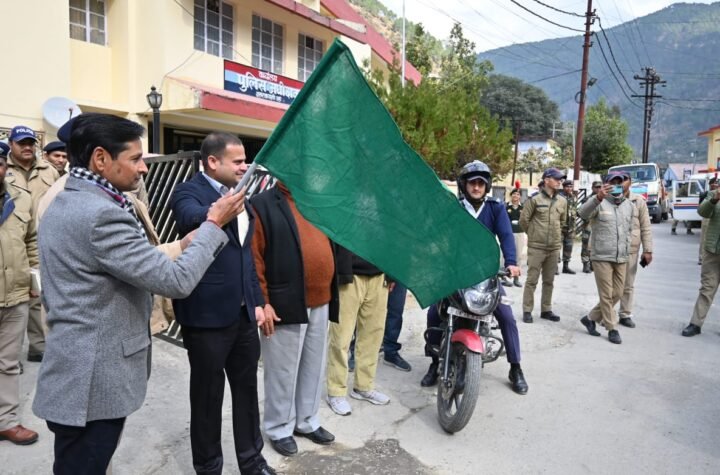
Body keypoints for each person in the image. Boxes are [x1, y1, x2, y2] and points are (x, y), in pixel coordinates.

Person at [33, 113, 242, 473]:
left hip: (76, 370)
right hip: (93, 380)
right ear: (101, 159)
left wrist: (185, 244)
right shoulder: (101, 214)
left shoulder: (70, 200)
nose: (144, 168)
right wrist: (213, 224)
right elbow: (175, 281)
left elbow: (122, 262)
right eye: (135, 158)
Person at [171, 132, 274, 475]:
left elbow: (246, 258)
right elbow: (189, 216)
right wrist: (219, 211)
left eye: (246, 160)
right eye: (238, 161)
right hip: (206, 317)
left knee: (247, 393)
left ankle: (252, 461)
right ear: (213, 162)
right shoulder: (188, 192)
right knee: (207, 397)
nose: (245, 167)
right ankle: (208, 467)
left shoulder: (243, 198)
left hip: (243, 316)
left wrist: (257, 301)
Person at [421, 161, 528, 394]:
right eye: (472, 183)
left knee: (507, 317)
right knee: (434, 313)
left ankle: (515, 367)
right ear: (464, 185)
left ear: (487, 186)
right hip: (456, 273)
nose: (477, 187)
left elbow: (506, 235)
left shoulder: (495, 208)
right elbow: (440, 237)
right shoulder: (455, 208)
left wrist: (511, 262)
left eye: (481, 183)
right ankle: (434, 362)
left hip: (486, 274)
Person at [250, 182, 338, 457]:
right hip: (283, 301)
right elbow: (254, 258)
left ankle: (307, 421)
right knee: (282, 371)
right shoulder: (262, 204)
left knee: (314, 365)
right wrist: (262, 301)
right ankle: (279, 428)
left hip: (321, 298)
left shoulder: (316, 200)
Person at [6, 125, 60, 363]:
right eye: (22, 143)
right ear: (11, 145)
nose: (27, 147)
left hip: (41, 244)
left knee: (37, 295)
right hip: (12, 244)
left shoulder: (49, 171)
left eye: (30, 143)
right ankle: (9, 356)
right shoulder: (4, 168)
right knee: (13, 300)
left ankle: (38, 347)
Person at [0, 142, 39, 446]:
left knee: (8, 363)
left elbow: (32, 243)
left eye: (0, 163)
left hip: (15, 296)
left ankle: (7, 421)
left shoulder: (21, 198)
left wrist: (33, 280)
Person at [326, 247, 392, 416]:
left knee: (373, 336)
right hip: (349, 276)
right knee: (341, 337)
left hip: (380, 275)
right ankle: (336, 392)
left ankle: (364, 386)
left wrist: (392, 274)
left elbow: (391, 238)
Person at [578, 171, 634, 344]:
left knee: (618, 293)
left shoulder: (629, 205)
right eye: (612, 182)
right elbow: (582, 213)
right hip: (601, 255)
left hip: (621, 256)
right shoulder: (599, 202)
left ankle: (590, 318)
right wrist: (598, 197)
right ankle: (612, 328)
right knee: (606, 294)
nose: (616, 185)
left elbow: (629, 229)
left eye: (619, 182)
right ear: (606, 185)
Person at [519, 168, 567, 323]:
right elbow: (524, 220)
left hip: (554, 248)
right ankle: (527, 310)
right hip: (537, 247)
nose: (560, 182)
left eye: (561, 179)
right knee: (532, 280)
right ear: (546, 180)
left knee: (549, 281)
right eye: (557, 179)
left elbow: (563, 222)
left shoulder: (562, 201)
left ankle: (546, 310)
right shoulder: (534, 200)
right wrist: (533, 234)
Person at [682, 184, 720, 337]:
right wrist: (714, 200)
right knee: (706, 288)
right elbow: (702, 212)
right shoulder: (714, 194)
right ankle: (695, 324)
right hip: (712, 250)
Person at [617, 174, 653, 328]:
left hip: (631, 248)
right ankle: (606, 312)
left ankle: (625, 314)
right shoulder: (608, 198)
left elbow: (646, 227)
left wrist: (648, 250)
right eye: (617, 180)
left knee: (628, 283)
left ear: (630, 182)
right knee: (610, 284)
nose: (621, 183)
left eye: (624, 180)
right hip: (612, 247)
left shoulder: (638, 201)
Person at [382, 283, 411, 371]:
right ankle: (355, 351)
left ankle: (390, 352)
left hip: (400, 276)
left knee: (396, 310)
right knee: (367, 308)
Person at [580, 181, 603, 273]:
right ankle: (585, 264)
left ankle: (593, 263)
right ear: (592, 188)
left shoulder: (605, 199)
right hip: (588, 225)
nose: (598, 189)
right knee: (586, 245)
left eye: (600, 187)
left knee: (597, 244)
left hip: (599, 225)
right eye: (596, 187)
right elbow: (582, 213)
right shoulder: (587, 199)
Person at [506, 188, 525, 287]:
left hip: (519, 233)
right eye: (514, 194)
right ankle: (505, 277)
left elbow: (526, 219)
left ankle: (516, 278)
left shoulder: (523, 208)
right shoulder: (506, 207)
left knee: (518, 255)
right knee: (506, 254)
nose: (515, 196)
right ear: (511, 195)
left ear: (520, 196)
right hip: (508, 233)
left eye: (517, 194)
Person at [559, 180, 578, 274]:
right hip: (560, 226)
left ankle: (565, 266)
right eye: (567, 187)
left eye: (571, 187)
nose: (569, 188)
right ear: (563, 187)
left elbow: (574, 210)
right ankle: (554, 267)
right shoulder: (559, 197)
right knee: (556, 247)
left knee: (568, 246)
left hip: (570, 226)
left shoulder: (574, 197)